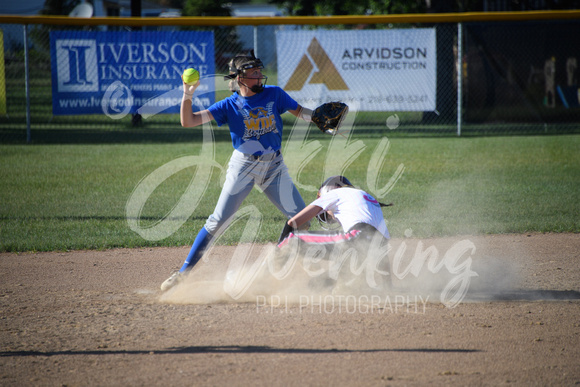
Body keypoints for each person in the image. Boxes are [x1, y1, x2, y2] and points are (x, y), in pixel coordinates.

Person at [161, 52, 315, 291]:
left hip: (274, 166)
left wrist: (318, 118)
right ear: (240, 78)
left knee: (302, 221)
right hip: (243, 167)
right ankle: (183, 273)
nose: (259, 76)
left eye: (258, 71)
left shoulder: (275, 94)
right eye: (253, 73)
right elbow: (188, 121)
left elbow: (300, 112)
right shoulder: (229, 105)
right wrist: (187, 94)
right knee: (217, 221)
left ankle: (295, 265)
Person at [276, 175, 392, 290]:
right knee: (317, 285)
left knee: (291, 239)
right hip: (366, 256)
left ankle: (265, 277)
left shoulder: (335, 193)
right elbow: (382, 250)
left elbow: (293, 222)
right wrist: (388, 285)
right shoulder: (368, 199)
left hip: (356, 237)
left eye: (327, 214)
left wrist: (278, 251)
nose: (330, 217)